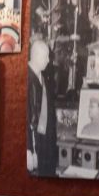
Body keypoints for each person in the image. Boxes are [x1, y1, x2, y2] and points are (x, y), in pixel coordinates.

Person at [26, 39, 58, 176]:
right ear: (36, 56)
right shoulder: (26, 78)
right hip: (35, 143)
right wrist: (28, 149)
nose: (48, 60)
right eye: (46, 56)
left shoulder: (43, 78)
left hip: (47, 143)